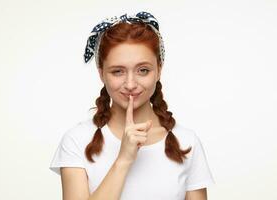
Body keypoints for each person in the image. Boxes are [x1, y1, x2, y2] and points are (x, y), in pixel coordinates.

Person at [49, 11, 215, 200]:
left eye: (143, 70)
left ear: (159, 70)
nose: (130, 84)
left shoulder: (186, 141)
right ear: (101, 73)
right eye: (118, 71)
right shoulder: (77, 140)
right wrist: (124, 159)